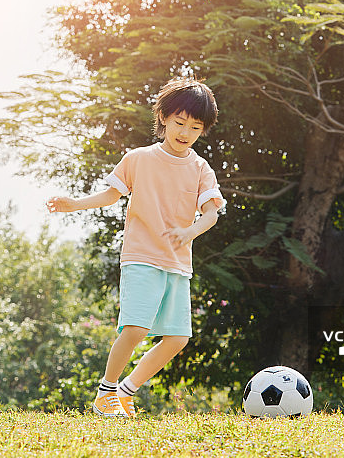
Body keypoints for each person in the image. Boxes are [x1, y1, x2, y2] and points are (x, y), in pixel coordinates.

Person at [46, 77, 225, 417]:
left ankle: (126, 391)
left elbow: (211, 214)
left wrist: (189, 232)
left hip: (177, 263)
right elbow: (111, 194)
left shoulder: (200, 167)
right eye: (179, 122)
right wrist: (74, 204)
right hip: (141, 256)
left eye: (195, 127)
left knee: (177, 338)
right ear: (164, 118)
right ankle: (106, 392)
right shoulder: (139, 158)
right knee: (136, 328)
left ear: (203, 130)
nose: (185, 132)